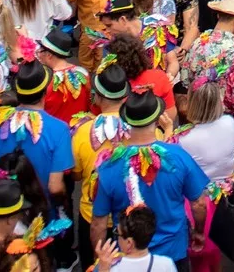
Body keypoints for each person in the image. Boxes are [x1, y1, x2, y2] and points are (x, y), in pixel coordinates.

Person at [90, 88, 210, 268]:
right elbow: (199, 203)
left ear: (125, 120)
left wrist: (100, 260)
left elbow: (98, 224)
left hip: (127, 257)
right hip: (173, 253)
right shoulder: (178, 155)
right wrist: (199, 232)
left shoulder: (108, 166)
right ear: (156, 120)